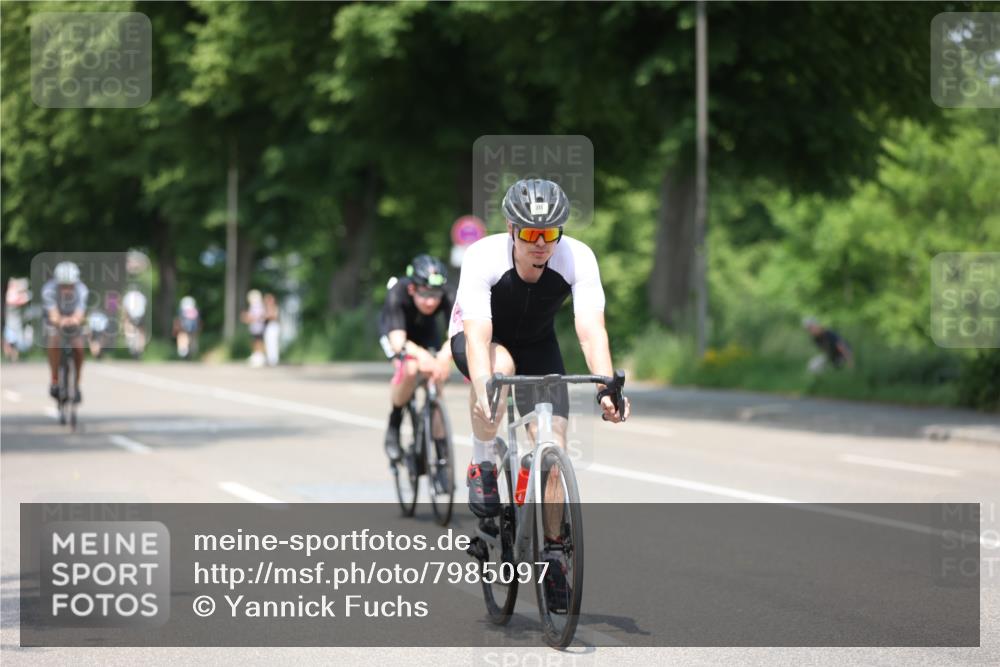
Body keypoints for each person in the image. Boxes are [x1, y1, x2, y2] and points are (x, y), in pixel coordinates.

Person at [449, 179, 630, 602]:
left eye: (550, 233)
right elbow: (478, 337)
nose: (541, 244)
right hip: (481, 339)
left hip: (538, 344)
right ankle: (483, 464)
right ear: (512, 229)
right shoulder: (482, 258)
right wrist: (483, 390)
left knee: (554, 446)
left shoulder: (578, 257)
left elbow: (590, 330)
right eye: (531, 233)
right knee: (499, 372)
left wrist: (606, 385)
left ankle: (552, 555)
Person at [379, 255, 455, 472]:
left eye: (435, 295)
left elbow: (458, 335)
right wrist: (424, 357)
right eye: (424, 294)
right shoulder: (398, 293)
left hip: (426, 331)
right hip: (396, 331)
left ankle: (441, 452)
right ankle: (394, 421)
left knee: (437, 377)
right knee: (411, 369)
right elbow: (398, 343)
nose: (431, 301)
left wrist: (442, 358)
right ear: (412, 289)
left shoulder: (448, 294)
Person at [41, 262, 88, 402]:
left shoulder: (82, 290)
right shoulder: (48, 289)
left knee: (79, 348)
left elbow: (80, 314)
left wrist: (74, 320)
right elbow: (53, 315)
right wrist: (60, 321)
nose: (67, 289)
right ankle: (55, 379)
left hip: (73, 318)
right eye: (63, 286)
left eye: (70, 286)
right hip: (55, 318)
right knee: (54, 340)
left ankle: (77, 385)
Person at [3, 277, 31, 362]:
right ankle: (9, 357)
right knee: (9, 342)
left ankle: (14, 359)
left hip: (17, 324)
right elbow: (15, 301)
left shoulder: (20, 293)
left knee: (16, 344)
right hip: (10, 323)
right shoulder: (11, 293)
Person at [242, 289, 266, 367]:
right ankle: (257, 356)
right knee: (255, 342)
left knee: (258, 342)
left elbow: (258, 316)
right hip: (255, 327)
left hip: (258, 327)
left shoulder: (258, 305)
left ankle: (260, 357)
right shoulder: (254, 305)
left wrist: (248, 317)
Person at [122, 287, 148, 358]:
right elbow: (144, 307)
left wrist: (124, 319)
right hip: (140, 316)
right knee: (141, 332)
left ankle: (131, 345)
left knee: (128, 328)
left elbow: (125, 309)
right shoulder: (141, 296)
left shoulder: (127, 296)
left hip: (131, 316)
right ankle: (140, 349)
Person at [263, 293, 281, 367]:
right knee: (268, 343)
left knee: (273, 343)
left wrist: (267, 316)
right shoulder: (266, 308)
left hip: (273, 326)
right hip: (268, 326)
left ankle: (274, 359)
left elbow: (274, 316)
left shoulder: (275, 307)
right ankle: (270, 359)